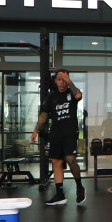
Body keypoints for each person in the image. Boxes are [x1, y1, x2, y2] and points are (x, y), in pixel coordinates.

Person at [30, 69, 84, 206]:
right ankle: (60, 194)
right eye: (59, 79)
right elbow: (43, 116)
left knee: (70, 159)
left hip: (70, 133)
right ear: (55, 81)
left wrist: (69, 80)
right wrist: (36, 130)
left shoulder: (71, 93)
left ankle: (79, 186)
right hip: (55, 134)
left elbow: (78, 95)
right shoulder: (51, 97)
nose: (62, 82)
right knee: (56, 162)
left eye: (64, 79)